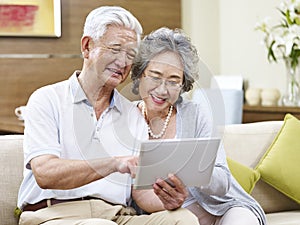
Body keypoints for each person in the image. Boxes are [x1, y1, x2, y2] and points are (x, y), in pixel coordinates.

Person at [17, 7, 199, 225]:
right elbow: (45, 173)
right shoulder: (47, 99)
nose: (123, 62)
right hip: (54, 214)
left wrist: (170, 199)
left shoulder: (133, 115)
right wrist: (113, 164)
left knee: (183, 219)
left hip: (117, 216)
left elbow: (141, 194)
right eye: (115, 49)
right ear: (87, 47)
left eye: (131, 54)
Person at [130, 27, 267, 225]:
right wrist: (172, 202)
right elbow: (136, 196)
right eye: (155, 76)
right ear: (141, 74)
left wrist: (192, 169)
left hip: (223, 208)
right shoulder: (125, 119)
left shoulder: (196, 113)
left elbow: (223, 182)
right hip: (172, 218)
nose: (162, 90)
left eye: (173, 81)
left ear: (183, 84)